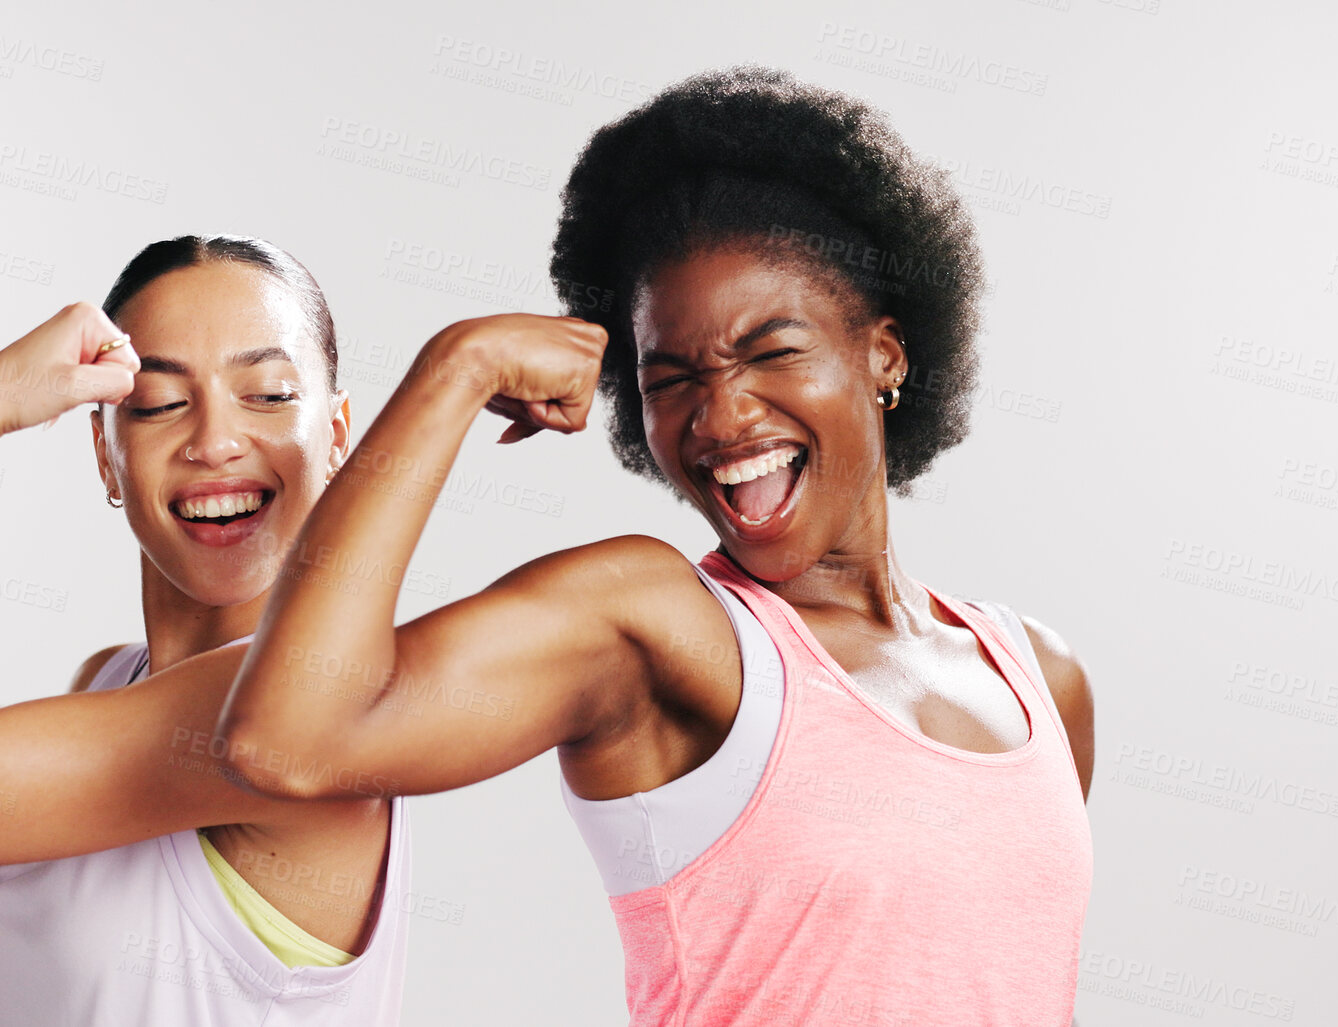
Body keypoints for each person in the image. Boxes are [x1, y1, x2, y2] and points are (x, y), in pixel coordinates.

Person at [217, 67, 1096, 1027]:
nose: (720, 416)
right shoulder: (656, 629)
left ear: (883, 354)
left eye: (770, 351)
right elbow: (284, 740)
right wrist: (455, 368)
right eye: (670, 378)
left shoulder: (1038, 677)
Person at [0, 235, 411, 1026]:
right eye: (158, 403)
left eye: (267, 394)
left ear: (336, 435)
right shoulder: (106, 681)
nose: (214, 442)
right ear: (105, 454)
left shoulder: (311, 716)